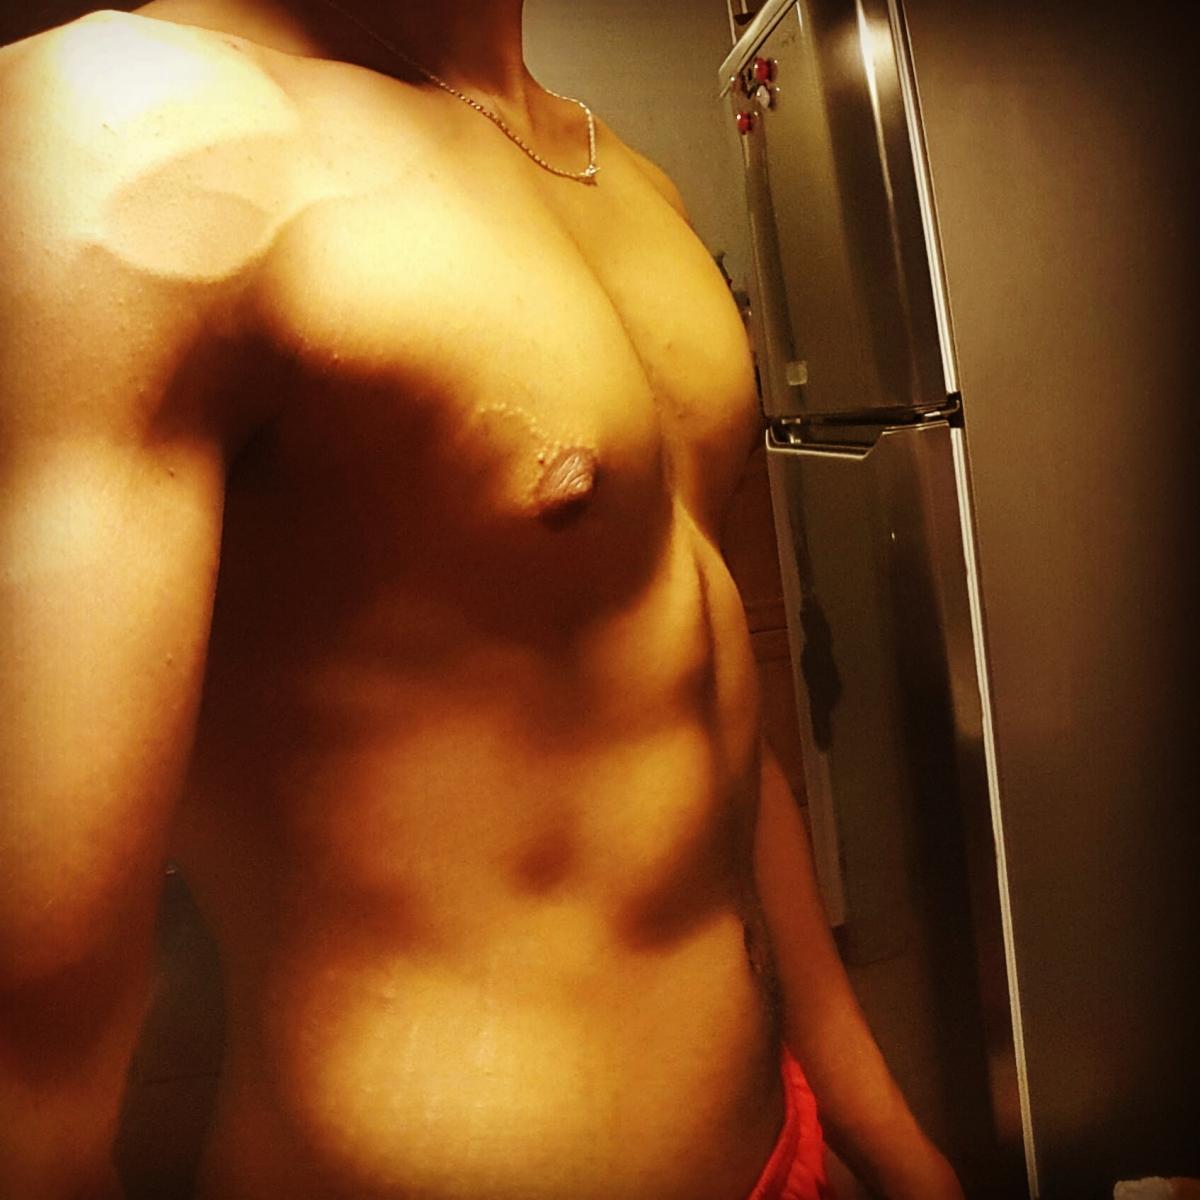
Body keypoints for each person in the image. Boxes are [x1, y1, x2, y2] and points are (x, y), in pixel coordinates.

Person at [0, 2, 964, 1197]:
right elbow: (26, 1069)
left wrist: (888, 1137)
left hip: (779, 1146)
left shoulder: (629, 180)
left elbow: (695, 707)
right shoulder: (117, 129)